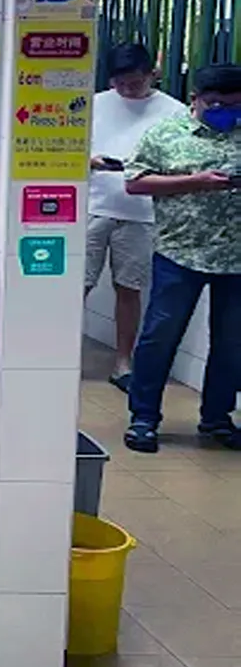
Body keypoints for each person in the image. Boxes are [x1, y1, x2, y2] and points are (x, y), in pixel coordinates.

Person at [121, 62, 241, 454]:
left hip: (235, 259)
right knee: (160, 337)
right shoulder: (165, 134)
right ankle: (143, 418)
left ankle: (217, 418)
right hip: (179, 253)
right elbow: (135, 182)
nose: (227, 111)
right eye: (217, 104)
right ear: (196, 100)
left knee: (231, 344)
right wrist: (195, 182)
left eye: (236, 105)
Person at [86, 43, 186, 390]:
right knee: (75, 286)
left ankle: (123, 364)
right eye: (121, 83)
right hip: (92, 205)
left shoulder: (174, 111)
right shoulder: (94, 104)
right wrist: (92, 161)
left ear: (152, 74)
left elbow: (180, 162)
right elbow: (68, 152)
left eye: (135, 83)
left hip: (143, 213)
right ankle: (62, 356)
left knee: (129, 289)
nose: (127, 90)